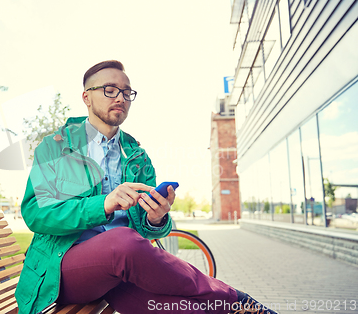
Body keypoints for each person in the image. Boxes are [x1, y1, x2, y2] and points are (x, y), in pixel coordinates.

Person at [15, 60, 278, 314]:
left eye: (127, 92)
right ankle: (234, 299)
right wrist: (104, 204)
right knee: (122, 241)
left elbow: (148, 227)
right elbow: (36, 213)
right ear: (86, 97)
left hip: (122, 274)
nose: (120, 98)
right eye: (110, 90)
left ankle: (238, 309)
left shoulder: (137, 156)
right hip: (64, 268)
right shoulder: (55, 146)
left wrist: (156, 217)